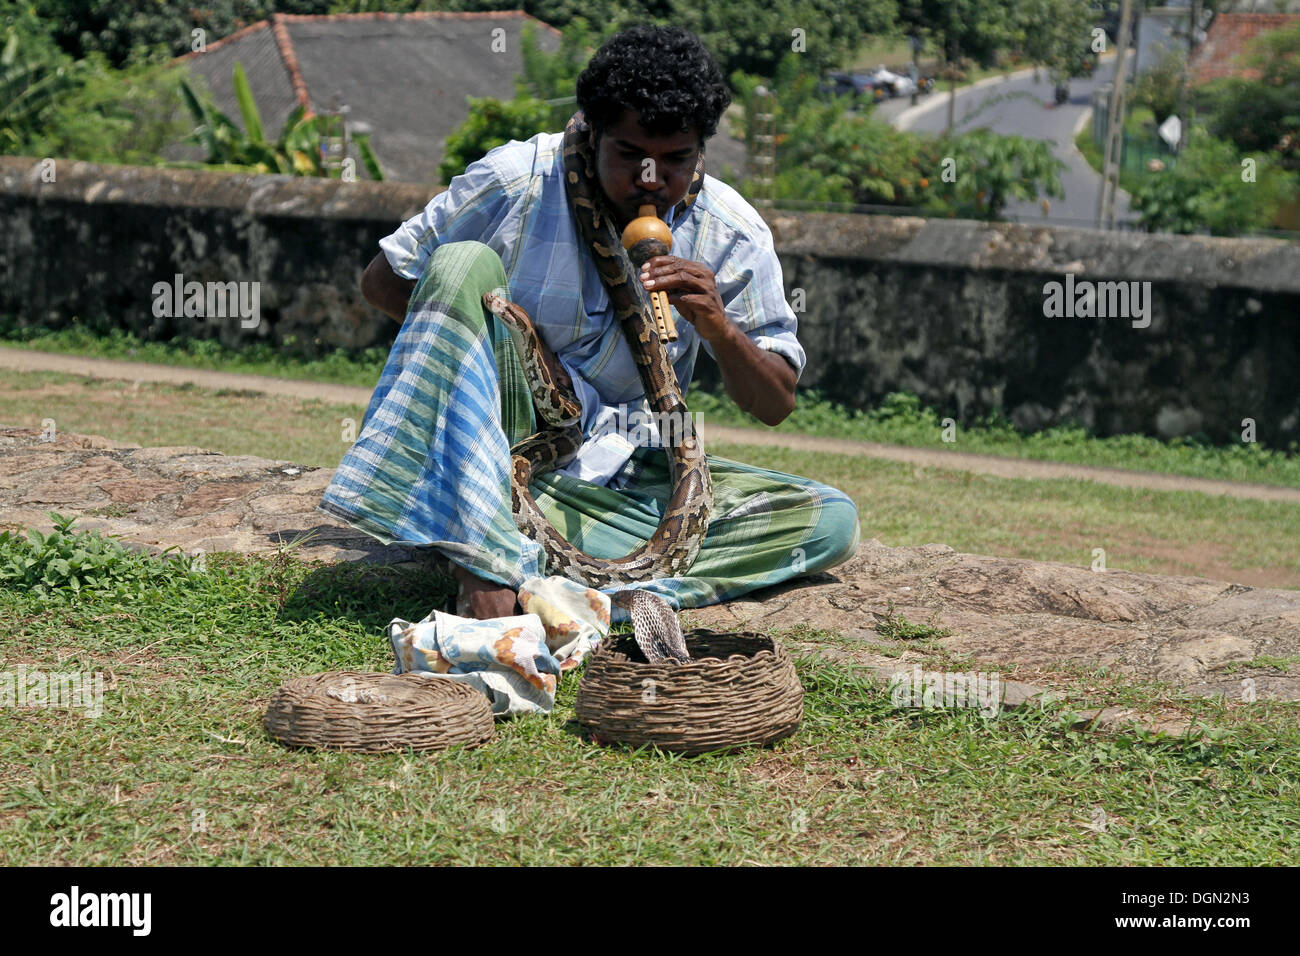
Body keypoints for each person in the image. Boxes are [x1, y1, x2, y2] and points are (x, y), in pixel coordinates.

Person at [319, 24, 859, 620]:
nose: (651, 180)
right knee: (459, 262)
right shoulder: (515, 182)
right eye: (630, 156)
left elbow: (775, 402)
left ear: (701, 150)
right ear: (593, 131)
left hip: (623, 461)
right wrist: (512, 345)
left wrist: (718, 326)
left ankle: (559, 573)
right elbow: (383, 281)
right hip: (496, 438)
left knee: (830, 519)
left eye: (675, 160)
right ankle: (489, 542)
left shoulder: (731, 231)